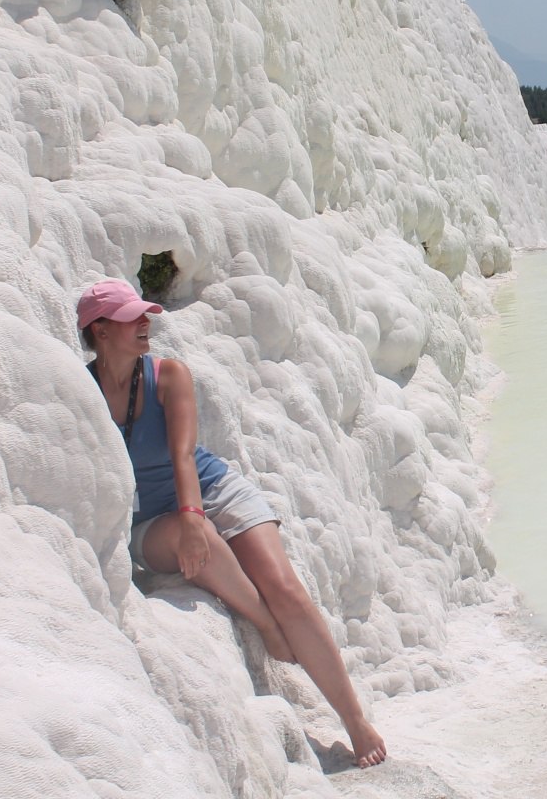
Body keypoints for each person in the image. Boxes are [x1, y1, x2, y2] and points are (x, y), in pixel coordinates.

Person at [78, 279, 387, 768]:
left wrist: (196, 514)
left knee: (286, 588)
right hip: (149, 518)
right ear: (99, 329)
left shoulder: (169, 375)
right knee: (193, 543)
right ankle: (267, 626)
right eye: (131, 317)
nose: (145, 323)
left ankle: (355, 721)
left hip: (211, 488)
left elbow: (183, 454)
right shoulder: (83, 391)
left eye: (146, 314)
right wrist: (188, 524)